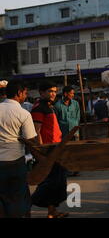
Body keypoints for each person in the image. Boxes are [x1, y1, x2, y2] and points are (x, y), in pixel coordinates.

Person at [0, 80, 38, 218]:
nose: (25, 96)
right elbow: (31, 139)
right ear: (18, 93)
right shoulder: (23, 113)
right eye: (25, 93)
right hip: (15, 161)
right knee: (18, 198)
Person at [30, 81, 68, 218]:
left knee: (57, 181)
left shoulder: (48, 106)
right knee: (50, 182)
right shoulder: (39, 108)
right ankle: (28, 203)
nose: (53, 94)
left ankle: (52, 211)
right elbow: (36, 131)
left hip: (56, 148)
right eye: (50, 91)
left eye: (54, 91)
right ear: (41, 93)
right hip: (48, 151)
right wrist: (41, 152)